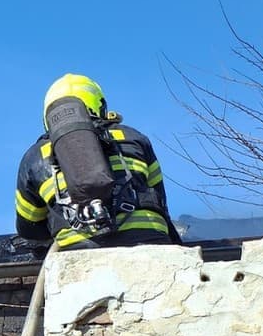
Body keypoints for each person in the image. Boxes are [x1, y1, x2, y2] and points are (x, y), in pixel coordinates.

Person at [15, 73, 178, 250]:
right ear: (100, 105)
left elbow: (29, 228)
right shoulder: (133, 138)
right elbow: (160, 198)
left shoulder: (35, 156)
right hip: (150, 240)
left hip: (78, 249)